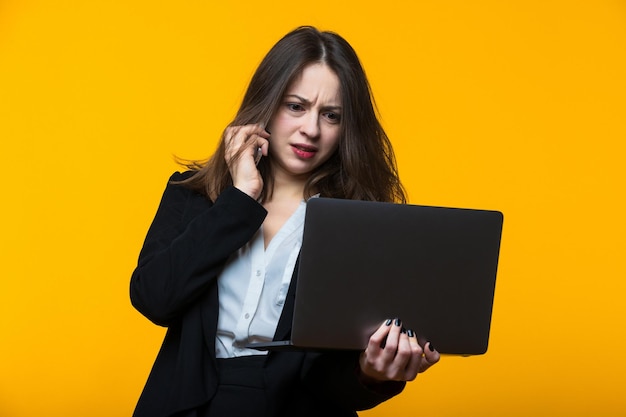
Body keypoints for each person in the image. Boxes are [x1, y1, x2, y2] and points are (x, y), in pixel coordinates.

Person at [130, 26, 440, 417]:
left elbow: (331, 383)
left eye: (331, 115)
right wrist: (239, 198)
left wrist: (372, 372)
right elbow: (154, 298)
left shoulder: (363, 224)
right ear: (267, 104)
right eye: (296, 106)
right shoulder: (193, 195)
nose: (311, 130)